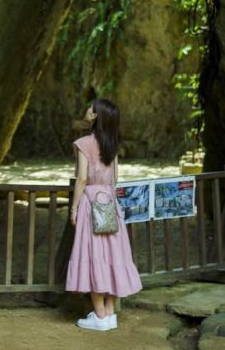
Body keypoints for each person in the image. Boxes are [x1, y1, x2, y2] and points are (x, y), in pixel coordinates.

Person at [66, 98, 142, 331]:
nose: (87, 109)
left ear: (96, 115)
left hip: (91, 202)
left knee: (94, 256)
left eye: (90, 107)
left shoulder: (84, 143)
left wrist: (74, 208)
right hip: (110, 203)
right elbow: (115, 178)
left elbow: (81, 178)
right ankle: (109, 313)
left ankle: (99, 316)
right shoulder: (112, 144)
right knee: (111, 257)